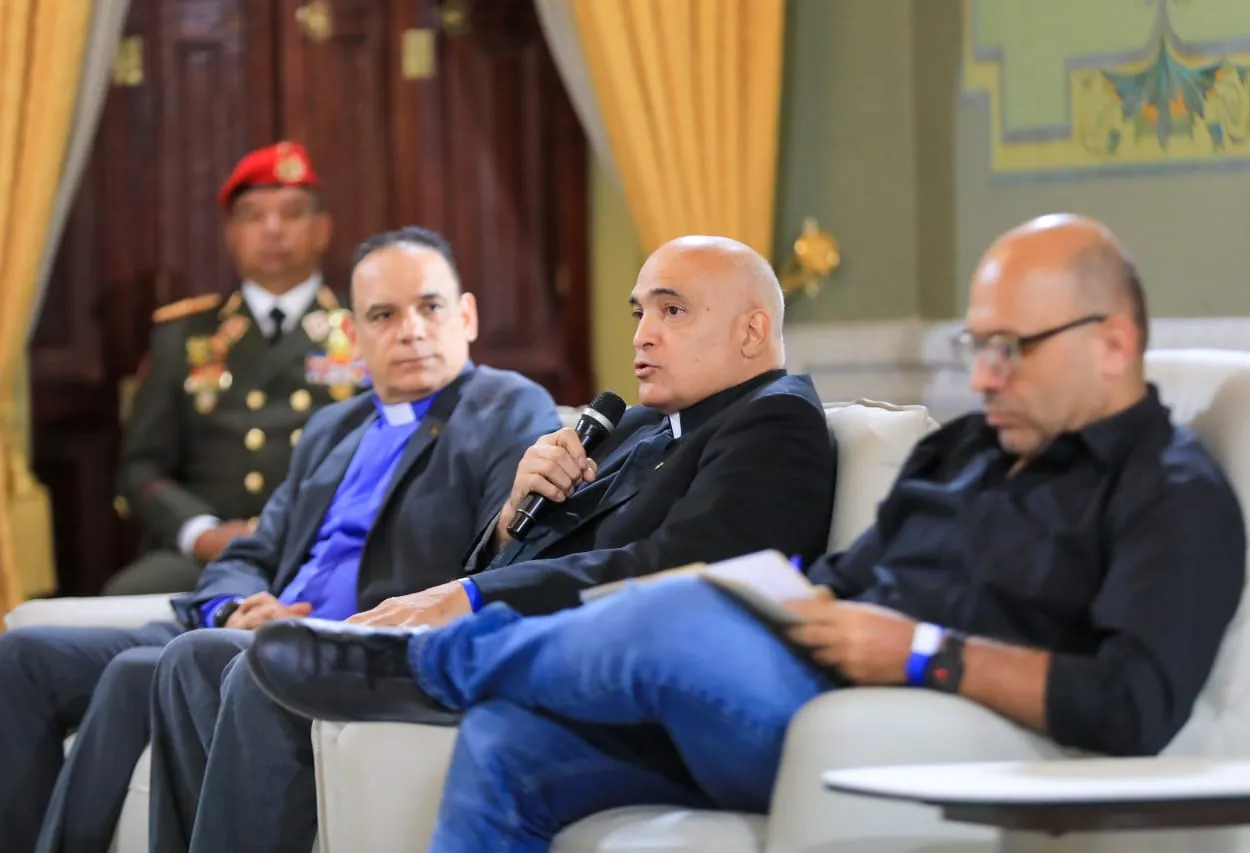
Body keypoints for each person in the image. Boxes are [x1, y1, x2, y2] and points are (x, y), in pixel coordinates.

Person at [249, 215, 1247, 852]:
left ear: (1114, 342)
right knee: (512, 743)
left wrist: (922, 652)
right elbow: (851, 574)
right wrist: (790, 605)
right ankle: (446, 672)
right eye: (976, 346)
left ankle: (428, 667)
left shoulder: (1170, 492)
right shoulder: (968, 451)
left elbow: (1131, 705)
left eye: (1012, 348)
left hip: (904, 725)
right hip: (802, 682)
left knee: (680, 599)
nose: (984, 376)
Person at [150, 234, 837, 853]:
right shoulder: (639, 427)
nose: (642, 336)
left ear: (753, 330)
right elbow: (537, 555)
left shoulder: (773, 422)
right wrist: (514, 515)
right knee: (218, 662)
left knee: (265, 675)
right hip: (546, 641)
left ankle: (418, 663)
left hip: (624, 679)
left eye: (672, 311)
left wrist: (472, 595)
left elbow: (671, 570)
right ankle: (404, 660)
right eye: (638, 313)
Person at [0, 226, 561, 853]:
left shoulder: (506, 407)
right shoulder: (334, 425)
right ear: (353, 336)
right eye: (383, 315)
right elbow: (254, 549)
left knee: (154, 667)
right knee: (25, 656)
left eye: (430, 307)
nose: (411, 330)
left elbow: (504, 553)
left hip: (340, 642)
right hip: (246, 628)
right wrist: (233, 607)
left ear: (467, 316)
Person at [107, 141, 358, 595]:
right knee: (122, 602)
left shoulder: (365, 328)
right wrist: (200, 533)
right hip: (214, 551)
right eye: (254, 216)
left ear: (323, 229)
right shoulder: (183, 335)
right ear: (231, 234)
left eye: (291, 213)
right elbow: (141, 468)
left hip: (330, 547)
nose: (273, 229)